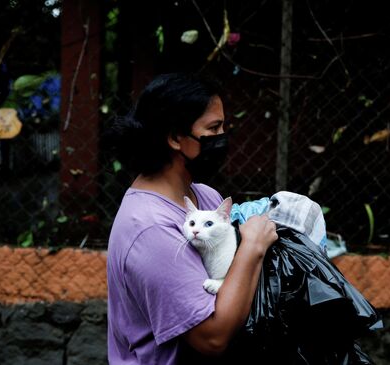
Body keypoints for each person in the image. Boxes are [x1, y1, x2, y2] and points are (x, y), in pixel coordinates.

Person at [105, 73, 278, 364]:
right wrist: (253, 247)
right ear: (175, 137)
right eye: (214, 128)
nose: (222, 137)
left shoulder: (204, 197)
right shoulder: (149, 227)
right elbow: (212, 338)